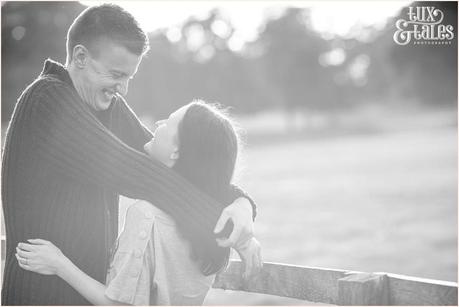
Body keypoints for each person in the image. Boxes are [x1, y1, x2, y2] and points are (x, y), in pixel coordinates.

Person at [2, 4, 260, 305]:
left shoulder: (104, 104)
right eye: (115, 74)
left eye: (129, 77)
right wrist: (230, 226)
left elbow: (172, 164)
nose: (122, 88)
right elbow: (145, 176)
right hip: (41, 296)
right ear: (81, 57)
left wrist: (240, 203)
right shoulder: (46, 102)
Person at [15, 100, 262, 305]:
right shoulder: (211, 221)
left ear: (176, 152)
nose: (158, 124)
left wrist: (59, 264)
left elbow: (118, 305)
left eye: (167, 121)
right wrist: (243, 207)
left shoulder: (146, 216)